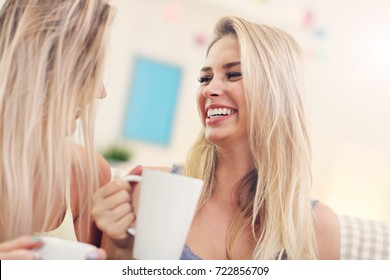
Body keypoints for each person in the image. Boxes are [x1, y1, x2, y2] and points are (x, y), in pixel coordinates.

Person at [92, 16, 340, 260]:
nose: (209, 90)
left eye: (232, 75)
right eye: (205, 78)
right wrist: (121, 246)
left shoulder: (318, 228)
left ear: (277, 93)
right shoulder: (146, 190)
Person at [0, 0, 114, 259]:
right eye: (88, 71)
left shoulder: (89, 175)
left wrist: (121, 248)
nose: (100, 92)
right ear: (40, 66)